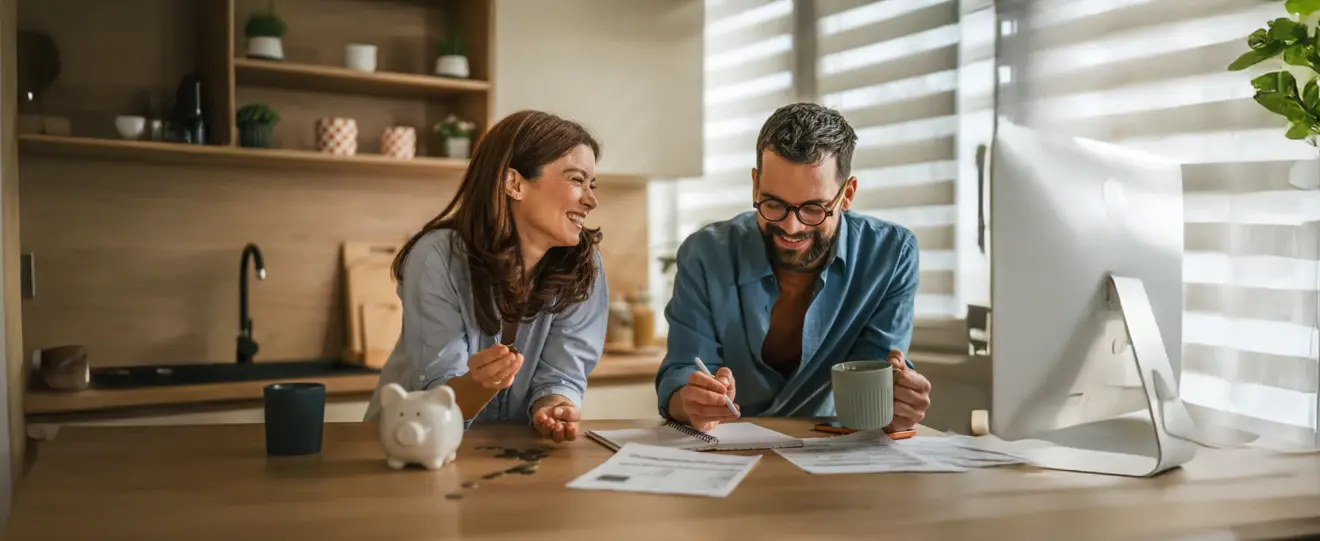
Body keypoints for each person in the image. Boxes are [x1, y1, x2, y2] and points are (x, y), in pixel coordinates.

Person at [654, 103, 933, 432]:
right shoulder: (705, 254)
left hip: (832, 448)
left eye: (813, 209)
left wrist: (896, 401)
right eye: (773, 204)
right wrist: (691, 400)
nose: (791, 227)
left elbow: (876, 376)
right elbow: (682, 372)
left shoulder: (890, 254)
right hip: (725, 451)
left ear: (848, 194)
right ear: (755, 185)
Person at [363, 109, 609, 443]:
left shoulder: (583, 267)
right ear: (515, 183)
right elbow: (439, 393)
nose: (591, 199)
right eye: (577, 180)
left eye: (592, 184)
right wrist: (480, 383)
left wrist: (554, 405)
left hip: (513, 455)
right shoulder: (437, 256)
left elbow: (562, 375)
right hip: (410, 445)